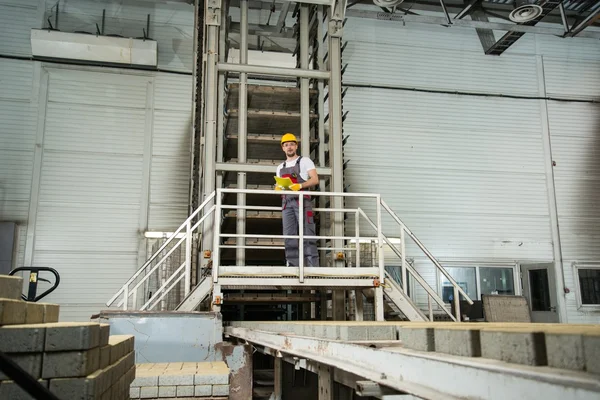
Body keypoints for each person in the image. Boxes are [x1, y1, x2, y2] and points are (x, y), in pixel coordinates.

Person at [275, 133, 320, 267]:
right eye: (286, 145)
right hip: (287, 203)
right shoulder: (280, 167)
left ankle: (313, 268)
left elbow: (315, 179)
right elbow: (279, 184)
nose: (289, 147)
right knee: (289, 236)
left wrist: (300, 185)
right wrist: (277, 187)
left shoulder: (305, 161)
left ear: (296, 146)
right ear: (283, 148)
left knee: (307, 234)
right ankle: (293, 267)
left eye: (291, 144)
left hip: (302, 202)